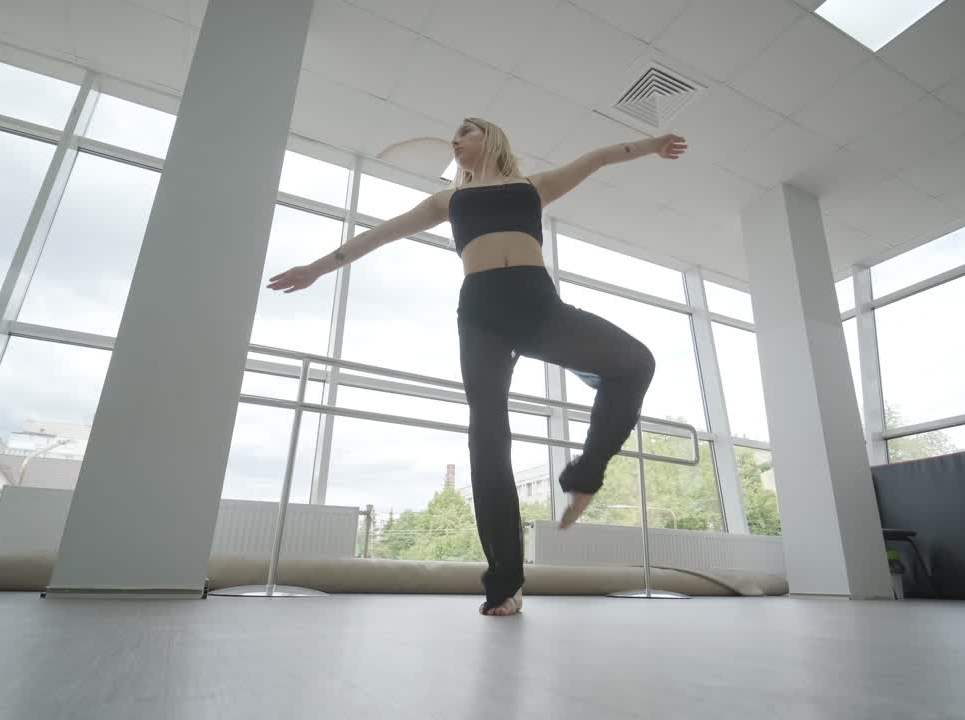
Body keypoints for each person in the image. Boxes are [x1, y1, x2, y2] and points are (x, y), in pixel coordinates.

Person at [267, 118, 688, 616]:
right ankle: (505, 584)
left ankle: (584, 472)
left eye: (465, 131)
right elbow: (380, 234)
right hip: (482, 315)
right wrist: (316, 268)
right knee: (488, 440)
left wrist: (651, 145)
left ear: (490, 137)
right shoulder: (447, 201)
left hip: (537, 305)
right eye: (454, 137)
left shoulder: (534, 186)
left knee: (635, 363)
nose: (456, 139)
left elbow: (596, 157)